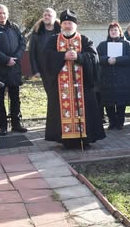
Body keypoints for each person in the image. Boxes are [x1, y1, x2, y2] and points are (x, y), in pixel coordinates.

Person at [44, 10, 106, 148]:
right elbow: (46, 57)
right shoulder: (53, 40)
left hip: (82, 86)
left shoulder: (84, 40)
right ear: (61, 25)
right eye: (65, 23)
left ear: (75, 25)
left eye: (70, 23)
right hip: (60, 87)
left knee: (86, 112)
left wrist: (79, 57)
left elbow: (94, 58)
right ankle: (64, 139)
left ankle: (85, 138)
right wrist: (62, 56)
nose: (67, 26)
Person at [0, 4, 27, 135]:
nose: (2, 15)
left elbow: (22, 43)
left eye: (4, 13)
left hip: (14, 68)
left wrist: (16, 57)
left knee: (15, 98)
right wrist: (6, 59)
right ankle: (2, 126)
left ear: (7, 14)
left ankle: (16, 124)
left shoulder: (14, 27)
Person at [97, 22, 130, 130]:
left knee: (120, 102)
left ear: (119, 31)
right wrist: (107, 59)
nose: (113, 32)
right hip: (107, 78)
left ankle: (119, 122)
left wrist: (117, 60)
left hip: (122, 78)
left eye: (115, 30)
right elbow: (97, 57)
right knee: (108, 102)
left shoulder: (127, 44)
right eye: (111, 30)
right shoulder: (102, 45)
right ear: (108, 32)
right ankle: (112, 122)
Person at [29, 8, 60, 91]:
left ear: (54, 17)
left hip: (60, 68)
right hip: (44, 69)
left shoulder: (61, 31)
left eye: (49, 15)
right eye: (45, 15)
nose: (46, 17)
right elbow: (32, 52)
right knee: (50, 93)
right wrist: (35, 70)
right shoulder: (37, 32)